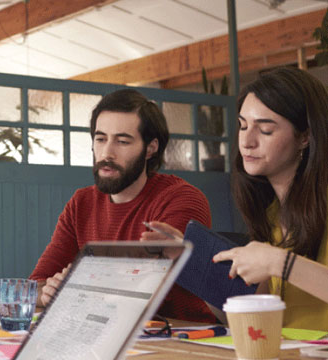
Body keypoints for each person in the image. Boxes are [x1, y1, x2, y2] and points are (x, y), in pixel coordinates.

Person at [151, 67, 328, 329]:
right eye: (243, 126)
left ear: (305, 137)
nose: (247, 141)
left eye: (265, 129)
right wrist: (192, 262)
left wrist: (278, 262)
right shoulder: (270, 214)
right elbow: (252, 318)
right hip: (289, 359)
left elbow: (278, 265)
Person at [29, 88, 217, 323]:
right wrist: (49, 293)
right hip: (108, 335)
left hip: (187, 339)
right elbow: (34, 286)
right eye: (100, 139)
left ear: (151, 148)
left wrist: (76, 288)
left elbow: (140, 292)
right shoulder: (81, 203)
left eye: (122, 141)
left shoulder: (181, 198)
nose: (107, 153)